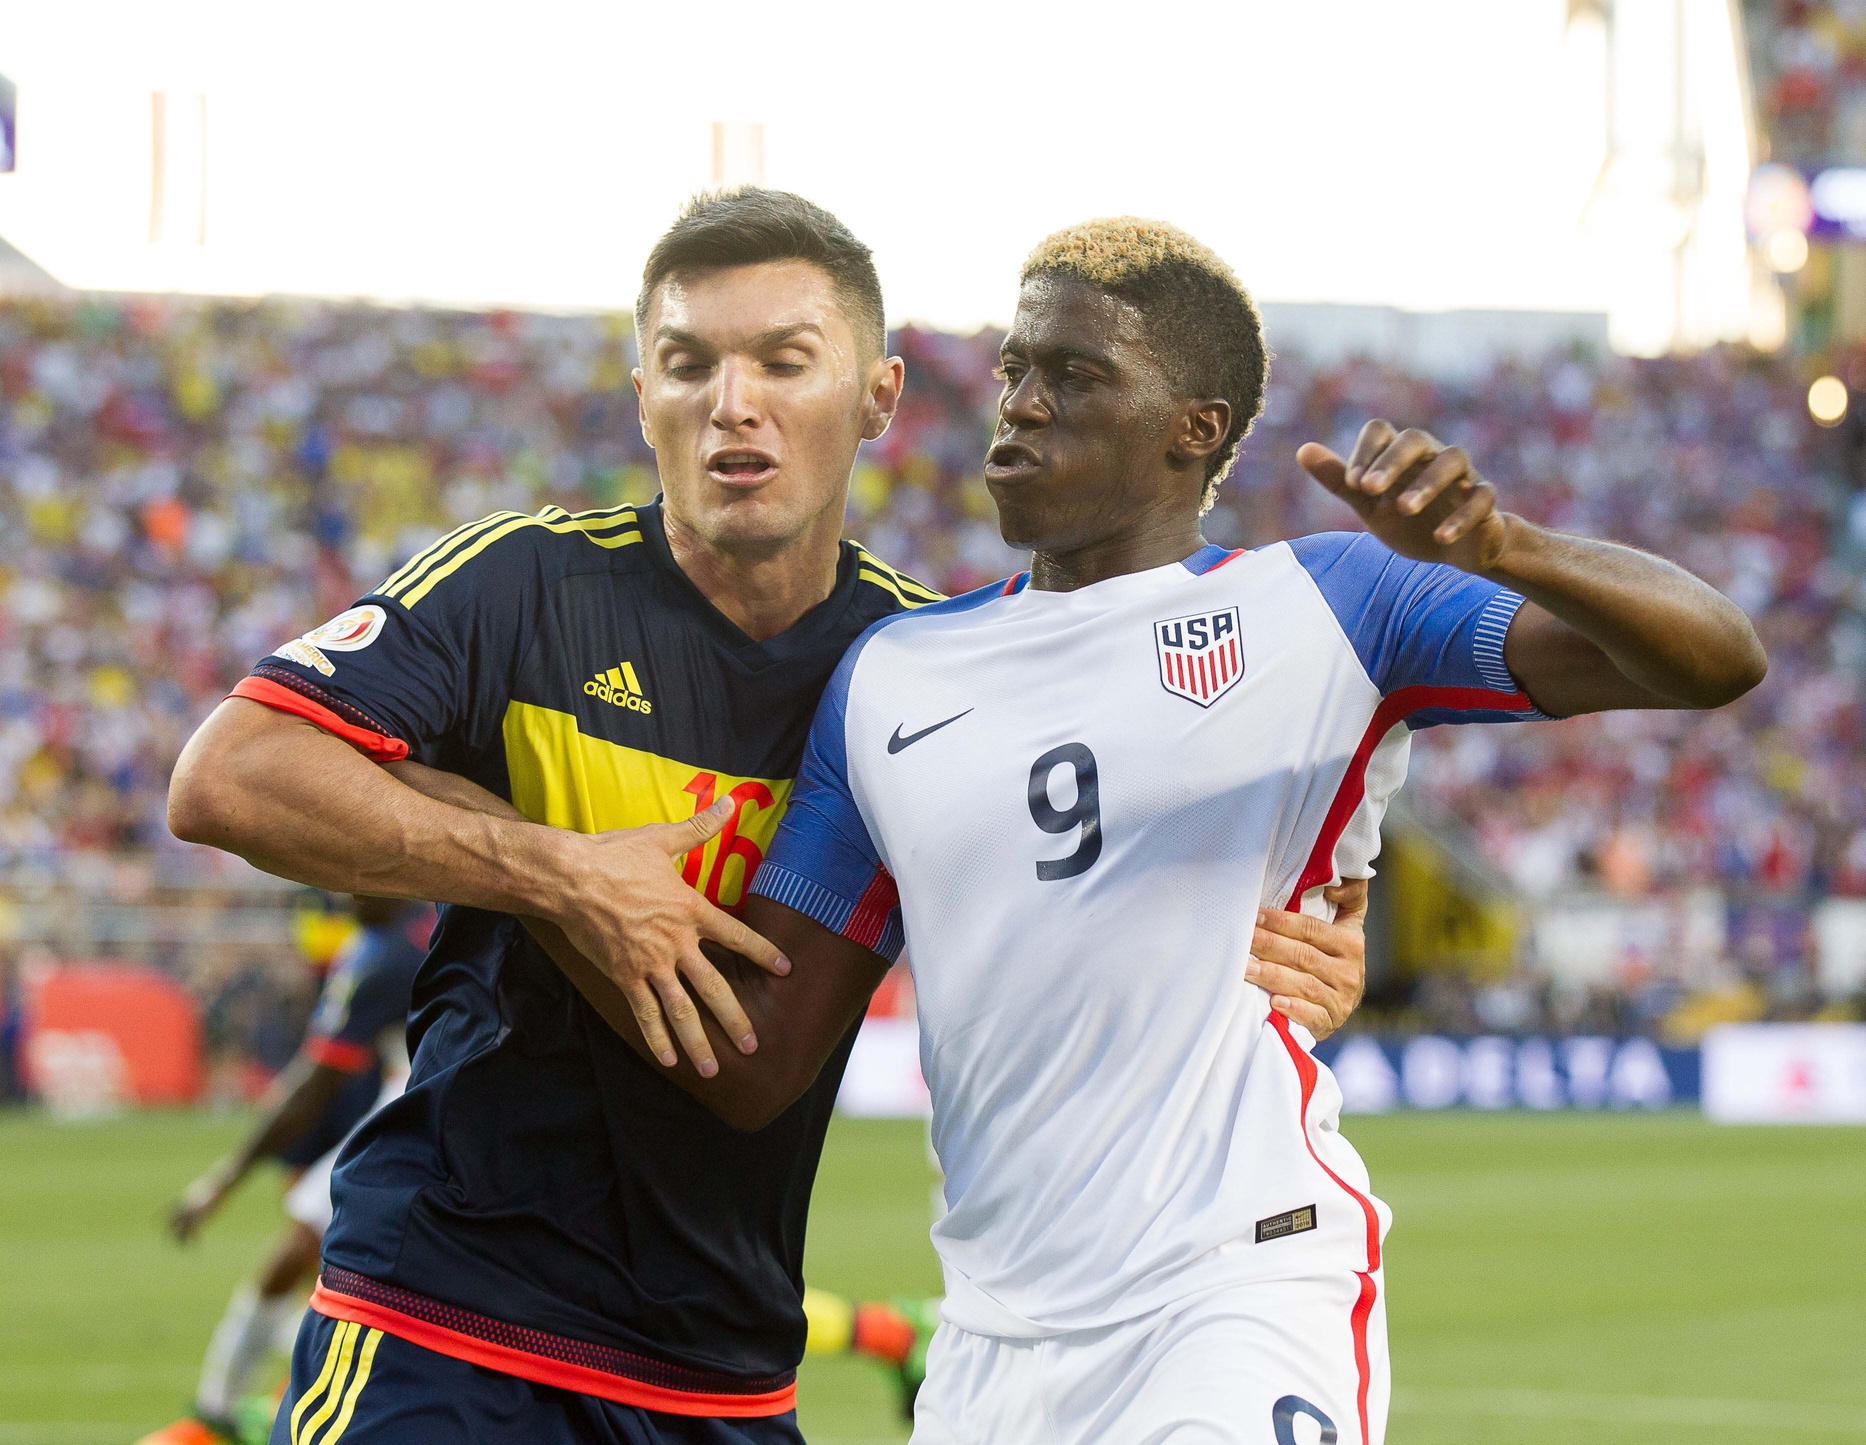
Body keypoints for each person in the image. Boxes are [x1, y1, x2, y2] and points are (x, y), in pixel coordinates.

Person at [494, 217, 1766, 1442]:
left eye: (1075, 374)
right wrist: (522, 858)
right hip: (990, 1342)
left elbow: (1711, 655)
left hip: (1234, 1287)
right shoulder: (891, 675)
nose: (1021, 403)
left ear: (1192, 431)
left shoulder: (1328, 604)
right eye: (1015, 368)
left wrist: (1510, 547)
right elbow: (757, 1058)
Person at [167, 189, 1379, 1443]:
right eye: (688, 364)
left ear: (879, 399)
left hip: (724, 1367)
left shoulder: (930, 675)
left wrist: (1288, 942)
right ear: (644, 398)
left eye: (783, 361)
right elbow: (230, 775)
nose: (730, 401)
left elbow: (1099, 867)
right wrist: (557, 869)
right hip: (449, 1322)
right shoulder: (521, 581)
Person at [140, 897, 431, 1445]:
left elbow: (315, 1083)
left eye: (348, 875)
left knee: (324, 1256)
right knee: (307, 1249)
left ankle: (229, 1414)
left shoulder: (387, 958)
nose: (338, 895)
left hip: (431, 1105)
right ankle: (230, 1410)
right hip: (415, 1093)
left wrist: (223, 1180)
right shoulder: (398, 933)